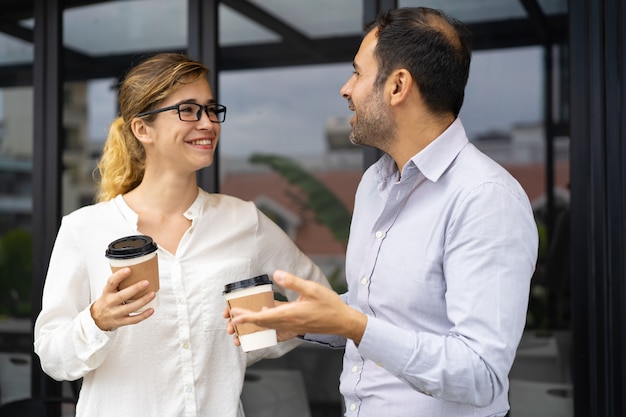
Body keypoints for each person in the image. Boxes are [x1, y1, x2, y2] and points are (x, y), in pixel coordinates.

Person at [228, 7, 539, 417]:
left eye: (357, 73)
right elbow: (376, 312)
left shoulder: (485, 198)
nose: (345, 88)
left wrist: (353, 325)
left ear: (398, 86)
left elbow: (480, 374)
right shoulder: (375, 184)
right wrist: (303, 320)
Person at [33, 52, 329, 417]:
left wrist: (267, 333)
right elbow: (52, 355)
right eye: (188, 110)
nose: (207, 123)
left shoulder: (244, 221)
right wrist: (97, 320)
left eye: (210, 109)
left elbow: (322, 305)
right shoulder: (84, 229)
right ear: (143, 129)